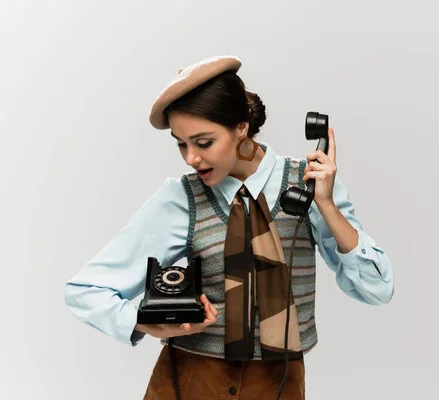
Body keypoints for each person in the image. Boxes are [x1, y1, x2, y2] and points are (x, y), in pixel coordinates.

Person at [64, 55, 394, 399]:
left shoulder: (307, 186)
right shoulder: (179, 199)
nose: (191, 158)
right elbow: (85, 290)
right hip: (188, 381)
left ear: (241, 127)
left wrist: (326, 203)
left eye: (203, 142)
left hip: (278, 384)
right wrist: (142, 322)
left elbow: (377, 288)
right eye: (181, 143)